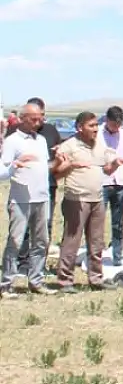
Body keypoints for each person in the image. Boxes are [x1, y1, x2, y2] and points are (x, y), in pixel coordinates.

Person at [1, 103, 57, 298]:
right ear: (22, 118)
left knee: (41, 242)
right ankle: (6, 284)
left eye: (41, 118)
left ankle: (36, 281)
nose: (38, 122)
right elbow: (2, 171)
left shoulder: (41, 140)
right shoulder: (13, 141)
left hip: (42, 198)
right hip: (21, 200)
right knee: (15, 242)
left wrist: (60, 162)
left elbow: (44, 166)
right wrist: (13, 166)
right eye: (34, 118)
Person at [98, 105, 123, 267]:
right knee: (97, 221)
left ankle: (117, 256)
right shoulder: (97, 134)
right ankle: (96, 255)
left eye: (119, 125)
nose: (116, 128)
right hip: (102, 182)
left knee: (118, 222)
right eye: (114, 124)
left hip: (120, 182)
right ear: (107, 120)